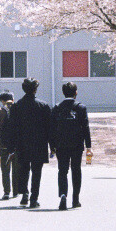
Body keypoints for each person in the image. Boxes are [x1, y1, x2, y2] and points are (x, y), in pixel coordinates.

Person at [5, 78, 51, 208]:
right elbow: (49, 128)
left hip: (22, 143)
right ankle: (34, 198)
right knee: (37, 172)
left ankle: (24, 193)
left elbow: (12, 128)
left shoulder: (17, 106)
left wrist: (10, 147)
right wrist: (52, 145)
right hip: (39, 143)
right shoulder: (43, 106)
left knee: (23, 169)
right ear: (35, 89)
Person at [50, 82, 92, 211]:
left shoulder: (57, 107)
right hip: (76, 144)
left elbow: (51, 129)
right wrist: (88, 146)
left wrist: (52, 146)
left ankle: (63, 195)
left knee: (62, 171)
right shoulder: (80, 108)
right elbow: (85, 127)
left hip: (61, 144)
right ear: (76, 92)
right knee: (76, 170)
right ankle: (75, 199)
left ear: (63, 93)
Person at [0, 92, 18, 200]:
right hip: (16, 143)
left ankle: (6, 191)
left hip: (4, 143)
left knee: (5, 167)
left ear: (2, 101)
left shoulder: (0, 112)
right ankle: (16, 191)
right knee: (16, 167)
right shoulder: (18, 110)